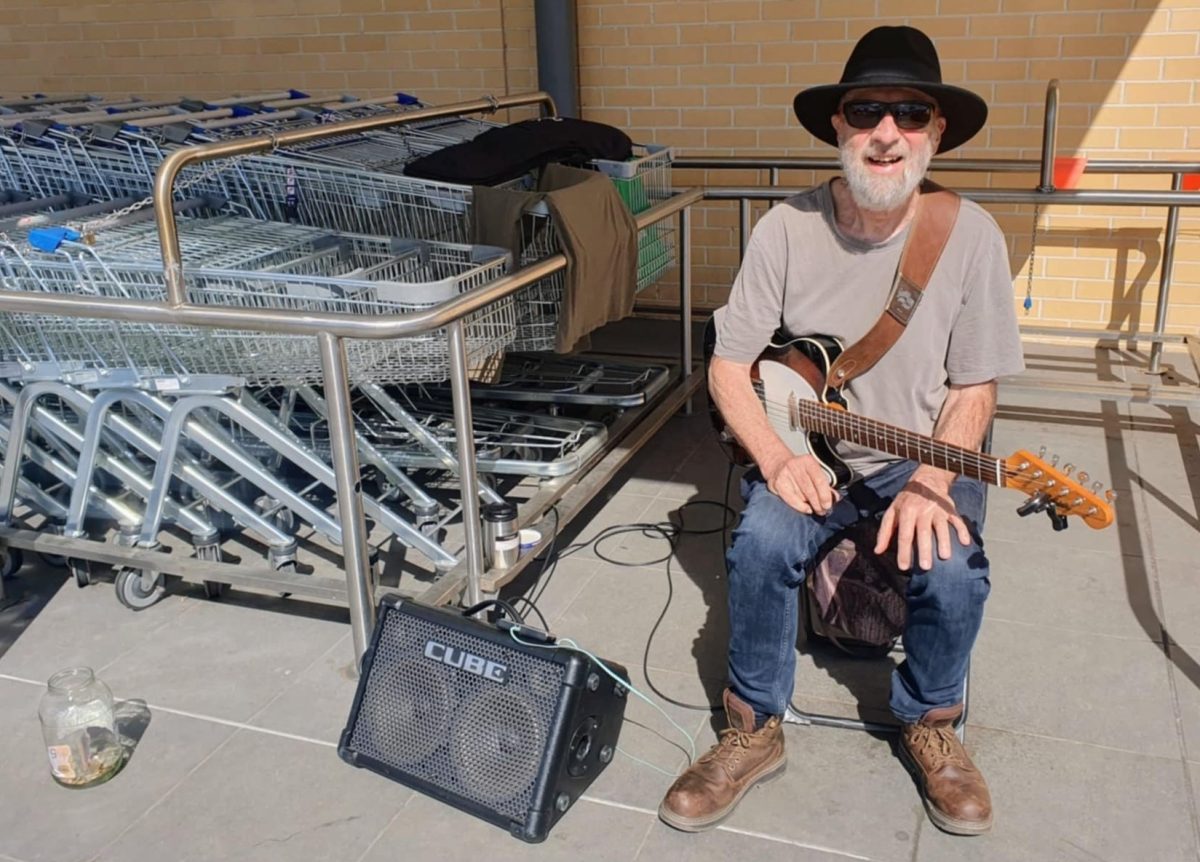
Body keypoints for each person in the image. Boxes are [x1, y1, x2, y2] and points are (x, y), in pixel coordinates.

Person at [658, 26, 1025, 837]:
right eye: (867, 110)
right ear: (838, 127)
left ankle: (932, 720)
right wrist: (779, 457)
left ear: (935, 133)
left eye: (909, 113)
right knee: (758, 543)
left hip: (918, 455)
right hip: (808, 450)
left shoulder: (971, 236)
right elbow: (728, 367)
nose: (886, 131)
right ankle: (752, 728)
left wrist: (935, 480)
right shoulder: (785, 229)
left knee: (955, 570)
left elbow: (975, 384)